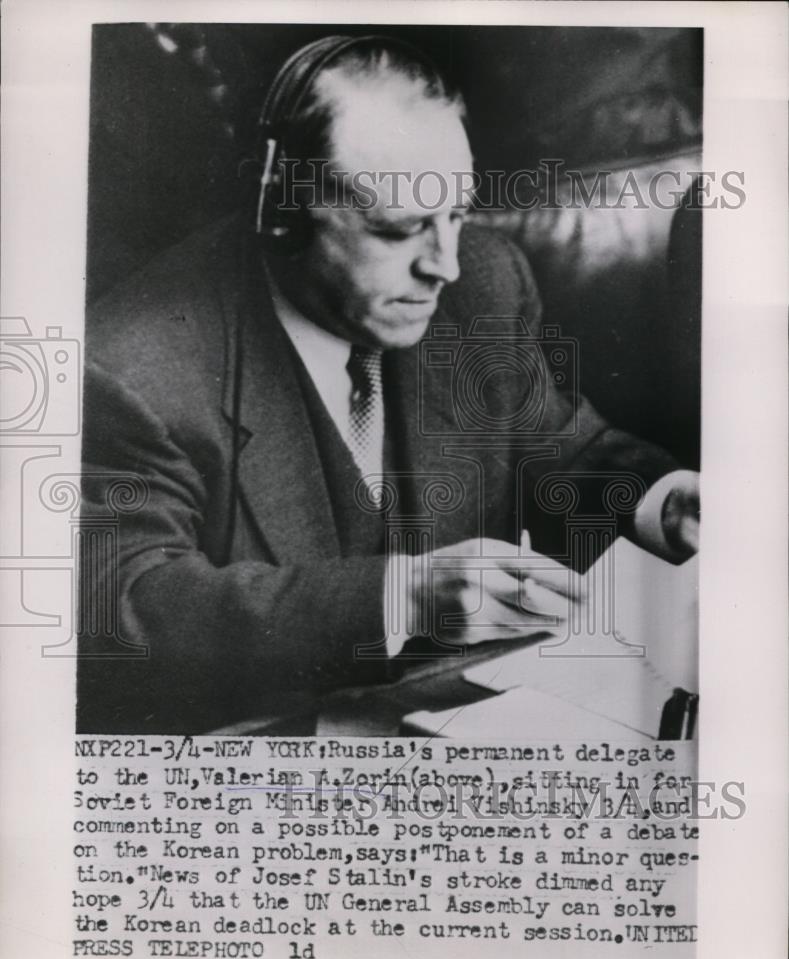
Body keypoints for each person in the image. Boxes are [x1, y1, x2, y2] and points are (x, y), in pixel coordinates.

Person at [78, 35, 699, 733]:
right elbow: (128, 610)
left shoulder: (483, 286)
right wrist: (401, 598)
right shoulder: (130, 367)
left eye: (456, 215)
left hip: (469, 727)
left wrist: (665, 501)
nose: (445, 266)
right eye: (399, 229)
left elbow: (557, 448)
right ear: (283, 212)